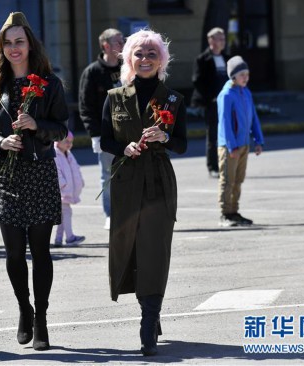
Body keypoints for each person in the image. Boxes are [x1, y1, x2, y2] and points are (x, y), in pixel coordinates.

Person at [0, 12, 68, 351]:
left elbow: (61, 128)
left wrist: (35, 125)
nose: (14, 48)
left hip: (40, 172)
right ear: (2, 47)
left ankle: (41, 317)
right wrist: (0, 142)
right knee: (15, 254)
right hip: (7, 176)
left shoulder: (49, 83)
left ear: (30, 44)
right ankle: (24, 308)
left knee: (40, 251)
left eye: (20, 42)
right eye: (8, 43)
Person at [100, 29, 187, 356]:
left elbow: (181, 144)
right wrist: (126, 147)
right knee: (132, 250)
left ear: (161, 59)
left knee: (155, 248)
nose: (146, 59)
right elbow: (106, 139)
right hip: (125, 181)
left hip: (159, 182)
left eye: (152, 54)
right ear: (129, 58)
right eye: (140, 53)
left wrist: (164, 139)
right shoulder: (114, 96)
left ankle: (148, 320)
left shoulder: (174, 99)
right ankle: (150, 307)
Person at [78, 28, 124, 230]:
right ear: (105, 45)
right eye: (117, 42)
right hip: (105, 133)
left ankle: (130, 213)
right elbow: (85, 106)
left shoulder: (128, 67)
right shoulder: (92, 72)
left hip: (127, 131)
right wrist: (95, 134)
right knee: (108, 175)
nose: (122, 46)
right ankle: (111, 214)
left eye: (123, 41)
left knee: (130, 173)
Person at [217, 56, 264, 227]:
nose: (246, 77)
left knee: (238, 180)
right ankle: (225, 214)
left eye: (247, 74)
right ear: (233, 76)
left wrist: (258, 140)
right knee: (228, 180)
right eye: (242, 74)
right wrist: (232, 146)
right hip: (230, 146)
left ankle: (234, 211)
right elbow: (225, 123)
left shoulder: (246, 92)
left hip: (244, 145)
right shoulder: (226, 95)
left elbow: (253, 118)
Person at [191, 27, 230, 178]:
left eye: (223, 38)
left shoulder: (227, 58)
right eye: (219, 38)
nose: (223, 41)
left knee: (226, 135)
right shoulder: (202, 59)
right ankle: (212, 167)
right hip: (212, 103)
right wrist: (210, 98)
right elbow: (197, 81)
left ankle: (224, 165)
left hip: (226, 102)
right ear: (211, 40)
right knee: (213, 136)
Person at [53, 131, 85, 247]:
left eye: (71, 142)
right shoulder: (55, 154)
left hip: (68, 190)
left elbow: (76, 168)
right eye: (66, 141)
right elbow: (57, 173)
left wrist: (80, 181)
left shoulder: (68, 153)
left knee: (63, 215)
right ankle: (70, 237)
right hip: (62, 191)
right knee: (66, 212)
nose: (69, 144)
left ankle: (58, 238)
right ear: (58, 141)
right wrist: (63, 185)